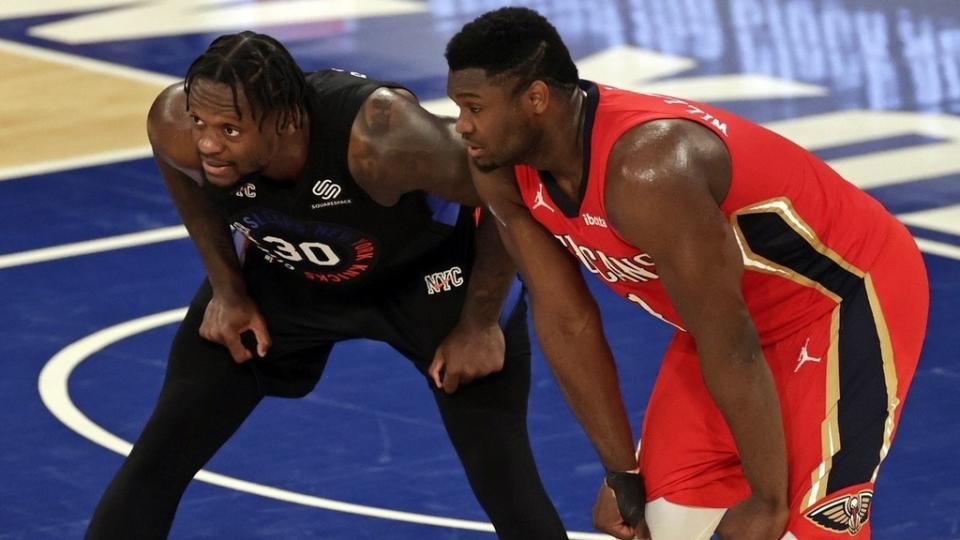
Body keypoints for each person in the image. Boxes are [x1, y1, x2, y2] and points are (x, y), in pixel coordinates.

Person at [445, 7, 928, 540]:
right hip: (724, 320)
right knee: (661, 525)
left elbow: (732, 341)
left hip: (839, 303)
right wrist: (620, 472)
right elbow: (566, 321)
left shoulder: (648, 170)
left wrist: (767, 501)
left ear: (536, 99)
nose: (462, 125)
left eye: (474, 108)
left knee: (796, 532)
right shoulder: (495, 164)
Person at [85, 31, 568, 540]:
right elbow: (179, 168)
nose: (208, 143)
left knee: (505, 480)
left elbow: (509, 190)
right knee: (158, 456)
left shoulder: (383, 139)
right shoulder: (177, 126)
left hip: (430, 279)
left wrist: (481, 322)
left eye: (230, 128)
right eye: (202, 123)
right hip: (291, 270)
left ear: (287, 121)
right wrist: (228, 291)